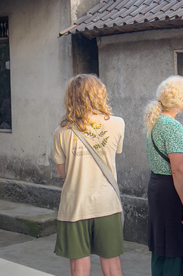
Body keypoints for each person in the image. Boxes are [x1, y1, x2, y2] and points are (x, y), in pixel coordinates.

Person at [53, 74, 125, 276]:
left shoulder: (61, 131)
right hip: (107, 204)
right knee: (112, 266)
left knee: (79, 268)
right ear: (99, 94)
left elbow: (63, 172)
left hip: (75, 205)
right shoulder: (117, 123)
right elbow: (115, 153)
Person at [144, 75, 183, 276]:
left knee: (161, 245)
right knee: (176, 245)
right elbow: (177, 169)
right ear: (181, 100)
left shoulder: (154, 120)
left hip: (158, 187)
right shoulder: (173, 126)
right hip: (173, 190)